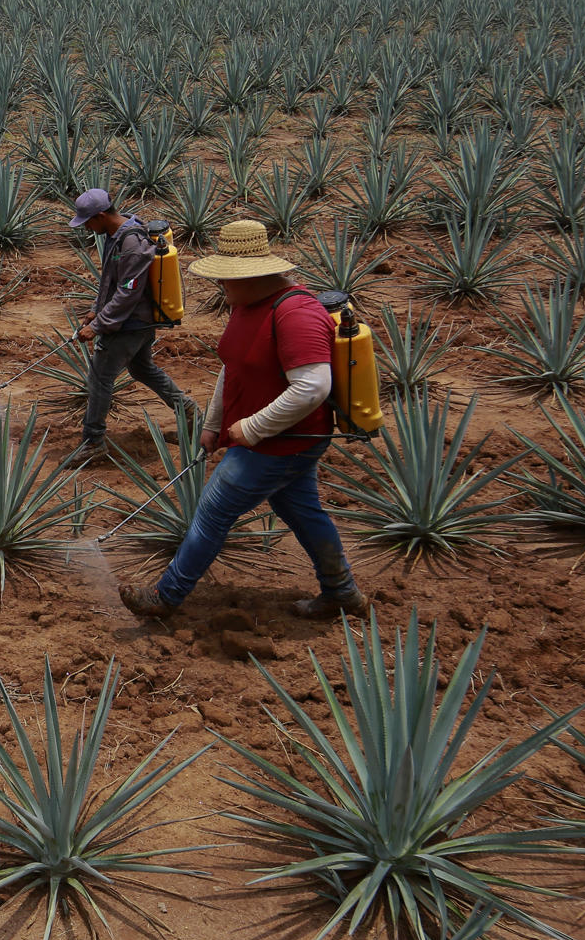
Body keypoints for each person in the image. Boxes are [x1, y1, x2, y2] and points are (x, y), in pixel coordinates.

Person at [119, 220, 367, 621]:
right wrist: (214, 423)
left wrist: (251, 427)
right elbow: (232, 367)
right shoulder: (249, 307)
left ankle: (166, 598)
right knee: (303, 512)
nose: (221, 286)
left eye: (225, 279)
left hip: (285, 442)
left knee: (213, 512)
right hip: (273, 440)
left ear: (257, 276)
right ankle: (342, 592)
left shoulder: (296, 314)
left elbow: (312, 388)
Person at [61, 187, 195, 470]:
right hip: (136, 320)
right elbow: (109, 279)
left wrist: (98, 326)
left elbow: (127, 293)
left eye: (87, 221)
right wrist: (96, 309)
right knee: (142, 368)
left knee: (100, 377)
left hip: (131, 323)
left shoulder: (132, 242)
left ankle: (93, 442)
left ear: (100, 216)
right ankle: (190, 413)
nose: (86, 227)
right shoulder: (118, 233)